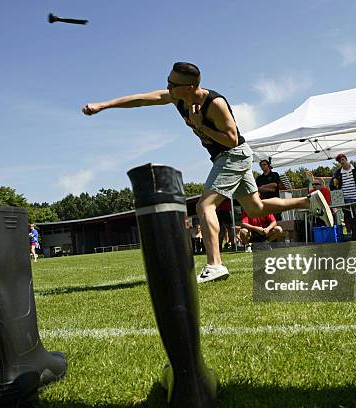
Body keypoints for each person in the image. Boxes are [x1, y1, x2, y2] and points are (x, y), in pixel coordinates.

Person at [83, 62, 333, 283]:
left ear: (190, 87)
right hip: (227, 156)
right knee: (255, 208)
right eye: (167, 81)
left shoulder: (215, 104)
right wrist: (104, 105)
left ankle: (215, 265)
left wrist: (201, 125)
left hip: (233, 154)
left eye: (172, 84)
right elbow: (141, 99)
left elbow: (232, 139)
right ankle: (309, 201)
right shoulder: (177, 97)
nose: (167, 87)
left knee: (205, 206)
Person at [329, 153, 356, 239]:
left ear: (346, 159)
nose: (341, 162)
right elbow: (332, 186)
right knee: (347, 217)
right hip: (345, 199)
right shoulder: (338, 173)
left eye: (342, 160)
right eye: (339, 161)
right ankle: (350, 233)